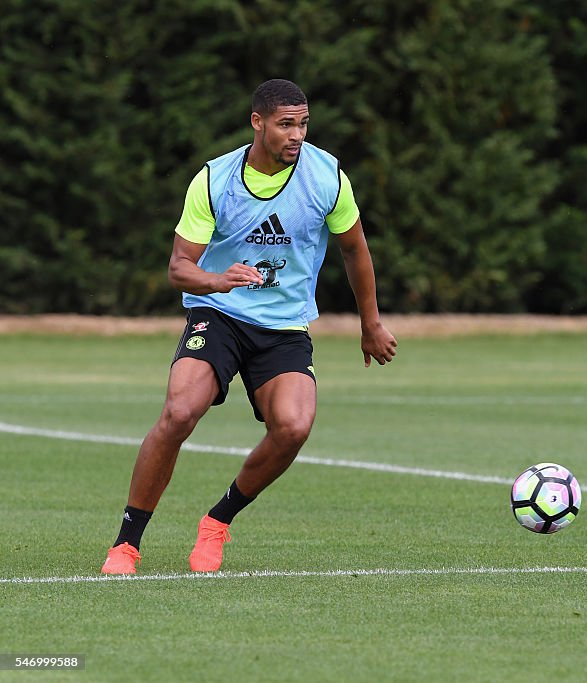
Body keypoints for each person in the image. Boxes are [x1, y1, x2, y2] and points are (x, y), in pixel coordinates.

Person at [101, 79, 397, 575]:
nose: (296, 135)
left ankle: (217, 522)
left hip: (283, 327)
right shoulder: (216, 180)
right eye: (285, 124)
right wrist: (217, 281)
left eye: (303, 123)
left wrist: (370, 322)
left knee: (294, 427)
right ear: (257, 122)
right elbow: (179, 266)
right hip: (219, 316)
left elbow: (354, 248)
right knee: (178, 412)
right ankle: (126, 544)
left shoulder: (327, 176)